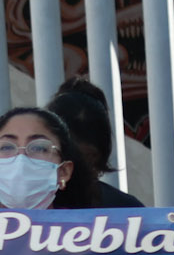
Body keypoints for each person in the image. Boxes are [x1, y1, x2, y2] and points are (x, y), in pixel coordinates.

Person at [0, 104, 119, 212]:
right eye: (6, 147)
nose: (21, 159)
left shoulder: (90, 239)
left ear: (64, 171)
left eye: (39, 148)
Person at [45, 77, 144, 205]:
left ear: (96, 157)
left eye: (81, 159)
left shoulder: (129, 211)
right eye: (64, 155)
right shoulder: (20, 206)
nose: (69, 170)